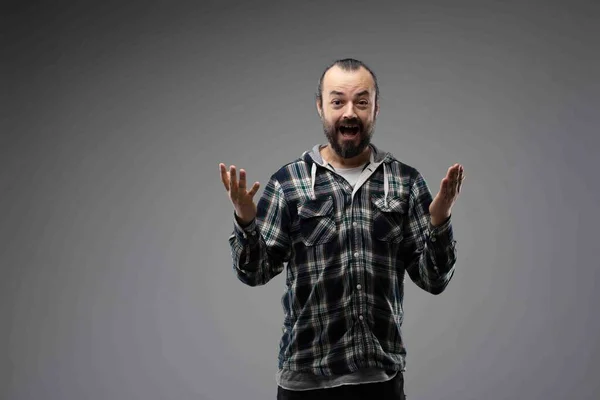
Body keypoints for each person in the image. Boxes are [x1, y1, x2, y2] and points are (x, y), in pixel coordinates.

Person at [219, 58, 465, 400]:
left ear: (376, 109)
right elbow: (254, 273)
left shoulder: (405, 182)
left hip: (379, 383)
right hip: (304, 382)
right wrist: (245, 221)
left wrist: (440, 220)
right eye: (338, 101)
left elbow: (434, 279)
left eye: (361, 102)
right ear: (321, 107)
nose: (349, 112)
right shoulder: (288, 182)